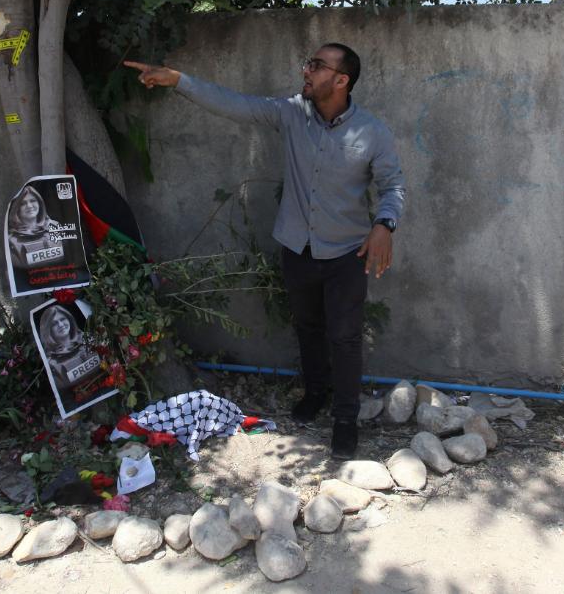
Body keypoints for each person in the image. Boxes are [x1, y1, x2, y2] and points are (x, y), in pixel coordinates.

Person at [125, 43, 405, 460]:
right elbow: (235, 105)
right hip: (297, 246)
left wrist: (385, 225)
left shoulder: (372, 132)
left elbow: (393, 185)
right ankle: (316, 392)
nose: (305, 70)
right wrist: (179, 80)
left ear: (341, 80)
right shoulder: (290, 113)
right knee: (308, 327)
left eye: (316, 65)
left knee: (345, 338)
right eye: (307, 61)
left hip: (347, 252)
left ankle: (345, 418)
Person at [38, 304, 99, 390]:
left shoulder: (89, 339)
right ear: (48, 330)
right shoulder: (49, 361)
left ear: (69, 319)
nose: (61, 324)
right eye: (54, 324)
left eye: (62, 319)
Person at [8, 185, 63, 269]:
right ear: (16, 209)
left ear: (40, 203)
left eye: (33, 201)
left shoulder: (55, 226)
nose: (29, 206)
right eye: (23, 203)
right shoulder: (10, 239)